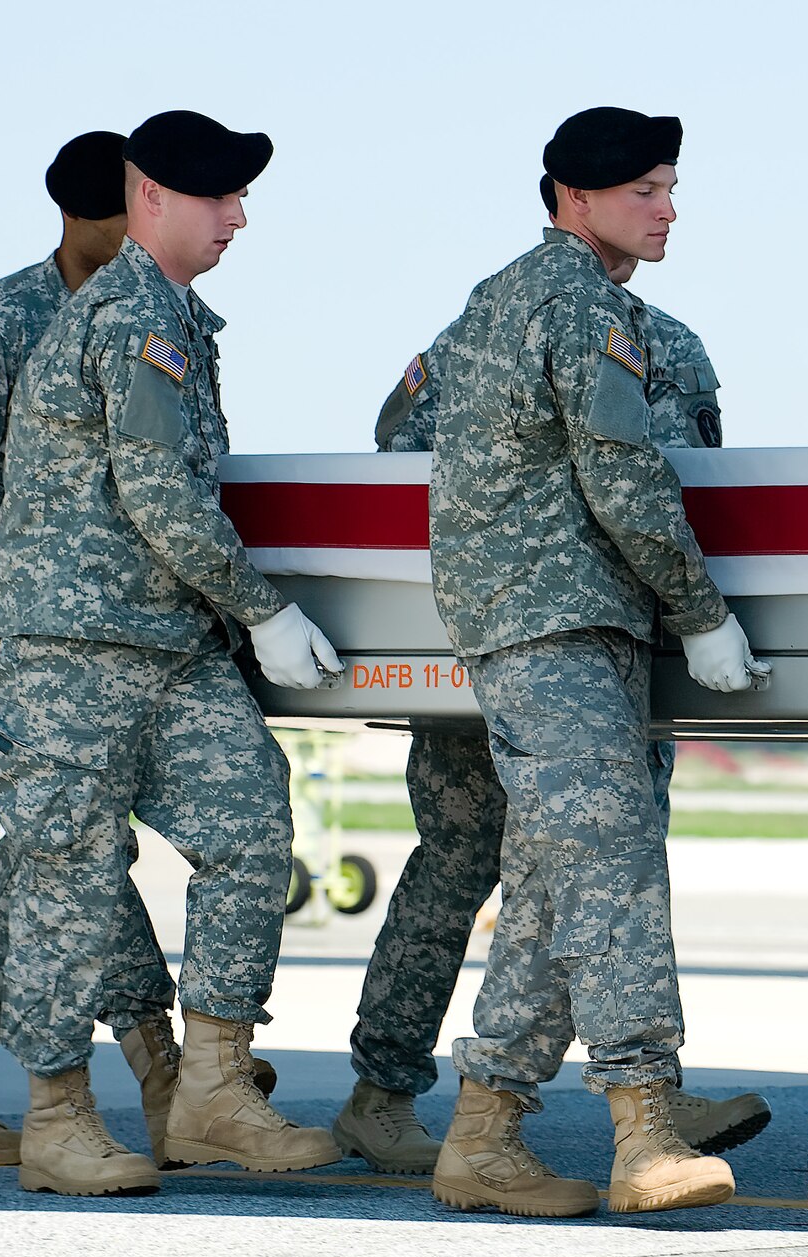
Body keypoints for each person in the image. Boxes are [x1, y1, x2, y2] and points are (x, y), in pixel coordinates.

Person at [330, 179, 766, 1175]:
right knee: (539, 858)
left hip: (507, 637)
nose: (667, 211)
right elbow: (654, 479)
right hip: (557, 637)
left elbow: (400, 446)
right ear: (575, 197)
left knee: (546, 868)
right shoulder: (599, 327)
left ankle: (450, 1104)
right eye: (646, 191)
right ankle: (423, 1091)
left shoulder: (473, 328)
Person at [0, 110, 344, 1196]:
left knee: (249, 823)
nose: (236, 215)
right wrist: (263, 608)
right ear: (148, 197)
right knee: (72, 880)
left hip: (166, 642)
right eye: (214, 196)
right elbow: (157, 490)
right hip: (69, 645)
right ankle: (54, 1117)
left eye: (239, 198)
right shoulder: (134, 315)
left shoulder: (174, 316)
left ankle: (213, 1087)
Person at [0, 130, 251, 1171]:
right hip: (30, 634)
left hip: (132, 632)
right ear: (91, 215)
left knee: (50, 854)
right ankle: (156, 1067)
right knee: (76, 854)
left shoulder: (165, 317)